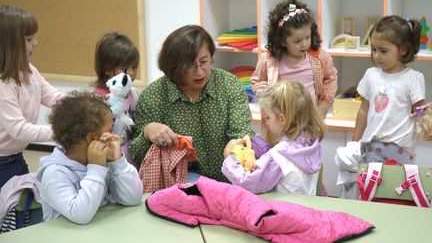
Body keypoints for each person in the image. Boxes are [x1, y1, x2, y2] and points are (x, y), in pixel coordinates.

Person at [129, 25, 252, 182]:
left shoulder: (228, 84)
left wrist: (237, 149)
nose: (199, 71)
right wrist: (148, 131)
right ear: (174, 67)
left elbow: (241, 135)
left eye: (204, 62)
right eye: (189, 65)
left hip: (229, 178)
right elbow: (140, 158)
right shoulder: (154, 95)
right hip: (179, 183)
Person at [37, 91, 143, 224]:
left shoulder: (105, 161)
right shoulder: (54, 173)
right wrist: (96, 170)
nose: (115, 136)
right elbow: (80, 215)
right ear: (92, 138)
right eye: (110, 131)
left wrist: (118, 162)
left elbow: (133, 198)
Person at [222, 81, 326, 195]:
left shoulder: (278, 157)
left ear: (282, 119)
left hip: (283, 211)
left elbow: (246, 182)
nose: (266, 123)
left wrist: (230, 159)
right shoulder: (312, 144)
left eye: (268, 117)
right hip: (305, 210)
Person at [0, 5, 64, 189]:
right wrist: (62, 131)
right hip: (2, 163)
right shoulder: (3, 84)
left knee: (23, 207)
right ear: (9, 44)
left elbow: (53, 97)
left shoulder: (30, 71)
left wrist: (85, 103)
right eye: (29, 39)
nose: (35, 43)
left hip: (17, 156)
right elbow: (18, 130)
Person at [352, 15, 425, 164]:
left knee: (397, 187)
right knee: (368, 186)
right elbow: (363, 110)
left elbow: (420, 112)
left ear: (403, 50)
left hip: (401, 149)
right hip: (371, 146)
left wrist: (430, 115)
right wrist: (355, 142)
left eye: (383, 51)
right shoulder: (371, 75)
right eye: (373, 49)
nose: (376, 55)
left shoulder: (413, 78)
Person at [250, 0, 337, 118]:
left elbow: (330, 79)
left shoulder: (320, 57)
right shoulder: (269, 60)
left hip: (309, 123)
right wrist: (263, 92)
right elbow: (256, 82)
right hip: (278, 124)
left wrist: (323, 107)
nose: (304, 44)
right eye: (297, 41)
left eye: (308, 37)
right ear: (282, 41)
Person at [92, 32, 141, 166]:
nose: (131, 73)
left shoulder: (135, 94)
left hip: (131, 163)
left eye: (135, 67)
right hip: (110, 162)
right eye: (125, 69)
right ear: (108, 69)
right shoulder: (98, 100)